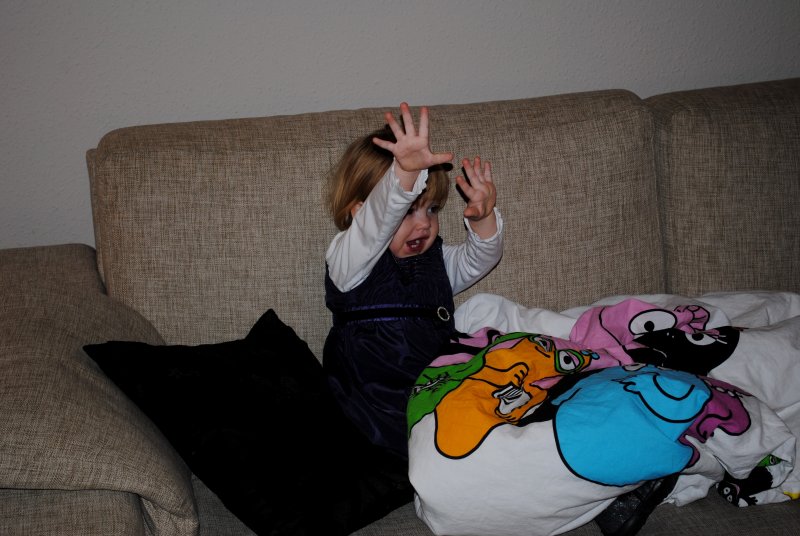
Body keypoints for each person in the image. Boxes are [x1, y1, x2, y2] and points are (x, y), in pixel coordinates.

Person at [323, 102, 504, 459]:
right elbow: (375, 225)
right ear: (359, 212)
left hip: (436, 386)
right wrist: (403, 177)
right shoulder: (350, 261)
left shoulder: (434, 260)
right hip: (376, 401)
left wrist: (483, 220)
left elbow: (478, 260)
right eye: (407, 211)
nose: (424, 224)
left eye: (432, 209)